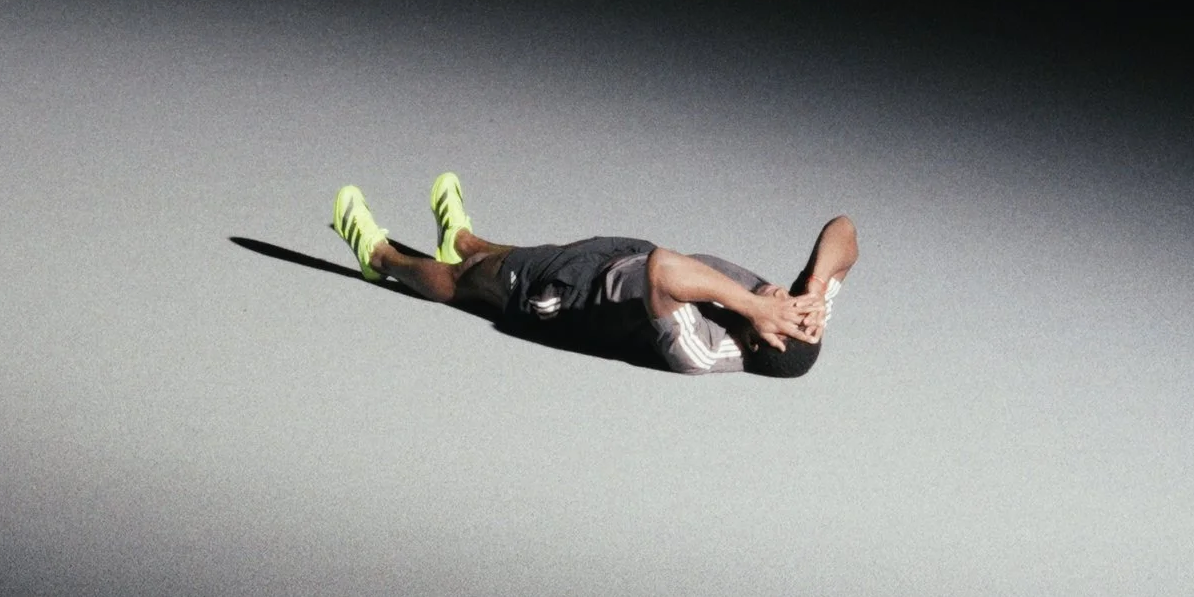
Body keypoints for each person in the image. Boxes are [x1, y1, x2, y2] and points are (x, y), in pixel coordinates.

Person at [328, 173, 855, 376]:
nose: (784, 299)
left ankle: (380, 258)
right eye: (805, 315)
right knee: (513, 254)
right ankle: (462, 240)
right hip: (612, 258)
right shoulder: (792, 306)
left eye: (787, 317)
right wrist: (814, 287)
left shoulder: (701, 352)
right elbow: (846, 232)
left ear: (762, 342)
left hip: (569, 299)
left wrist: (758, 305)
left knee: (468, 283)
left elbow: (665, 269)